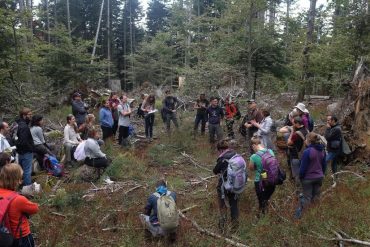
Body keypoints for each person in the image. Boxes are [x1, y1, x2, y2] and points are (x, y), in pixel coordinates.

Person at [0, 163, 39, 247]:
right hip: (21, 237)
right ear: (16, 180)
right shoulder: (19, 199)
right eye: (20, 178)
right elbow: (35, 208)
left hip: (4, 236)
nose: (21, 180)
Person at [213, 140, 243, 232]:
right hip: (235, 184)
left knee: (222, 205)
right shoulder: (235, 155)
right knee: (234, 205)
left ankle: (222, 227)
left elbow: (215, 170)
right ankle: (235, 227)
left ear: (220, 150)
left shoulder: (222, 158)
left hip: (224, 186)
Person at [295, 132, 326, 218]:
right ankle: (315, 215)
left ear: (308, 141)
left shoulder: (307, 152)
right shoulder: (322, 150)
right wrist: (322, 174)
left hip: (308, 179)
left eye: (305, 139)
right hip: (319, 177)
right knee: (316, 197)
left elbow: (303, 168)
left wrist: (300, 177)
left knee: (307, 198)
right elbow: (324, 165)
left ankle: (307, 217)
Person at [249, 136, 276, 216]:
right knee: (266, 198)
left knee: (261, 200)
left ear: (254, 145)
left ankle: (262, 216)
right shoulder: (270, 151)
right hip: (272, 180)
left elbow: (251, 168)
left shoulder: (254, 156)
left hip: (260, 182)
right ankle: (265, 213)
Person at [15, 108, 34, 187]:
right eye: (29, 115)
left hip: (20, 152)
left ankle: (21, 187)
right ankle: (28, 189)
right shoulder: (24, 127)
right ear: (24, 115)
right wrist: (31, 148)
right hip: (26, 152)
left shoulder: (18, 124)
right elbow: (23, 141)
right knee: (27, 171)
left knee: (22, 171)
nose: (31, 117)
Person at [287, 116, 308, 183]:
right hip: (304, 154)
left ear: (297, 124)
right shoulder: (306, 130)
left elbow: (289, 143)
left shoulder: (296, 134)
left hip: (295, 155)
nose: (293, 125)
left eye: (293, 123)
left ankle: (298, 188)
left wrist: (292, 132)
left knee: (296, 172)